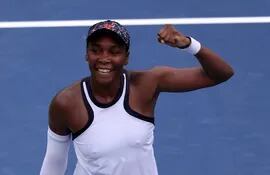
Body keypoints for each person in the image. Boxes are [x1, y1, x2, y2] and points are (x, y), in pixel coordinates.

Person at [40, 20, 234, 175]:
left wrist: (189, 45)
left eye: (114, 51)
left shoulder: (147, 85)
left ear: (127, 57)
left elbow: (220, 74)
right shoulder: (66, 103)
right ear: (86, 55)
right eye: (96, 50)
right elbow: (54, 163)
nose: (104, 58)